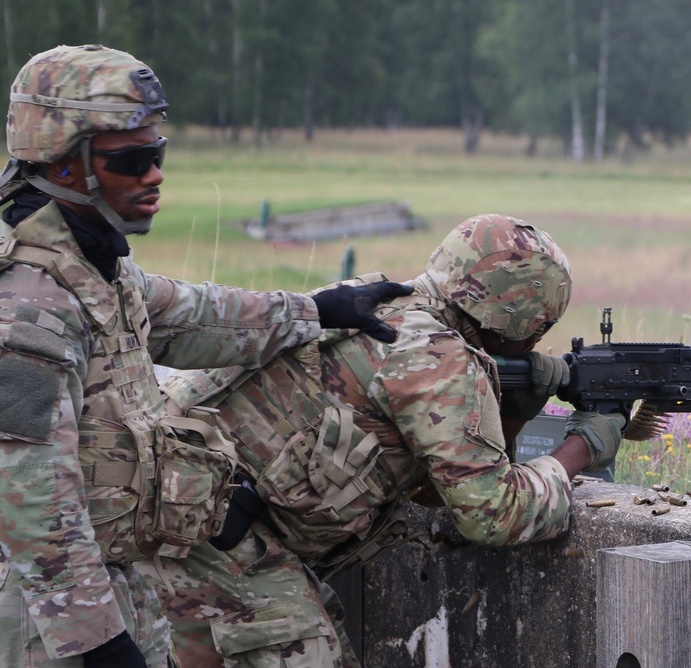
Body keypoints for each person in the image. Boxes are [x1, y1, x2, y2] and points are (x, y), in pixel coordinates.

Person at [0, 44, 411, 668]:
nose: (155, 175)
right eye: (133, 160)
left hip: (123, 593)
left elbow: (197, 314)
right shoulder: (29, 304)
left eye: (157, 154)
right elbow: (28, 493)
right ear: (62, 167)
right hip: (48, 627)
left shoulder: (95, 271)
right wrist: (99, 646)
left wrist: (323, 309)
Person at [149, 213, 627, 667]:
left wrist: (510, 410)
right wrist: (582, 446)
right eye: (540, 327)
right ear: (519, 320)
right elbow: (491, 514)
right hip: (211, 526)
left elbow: (432, 485)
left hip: (177, 507)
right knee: (306, 648)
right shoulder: (438, 356)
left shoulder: (375, 302)